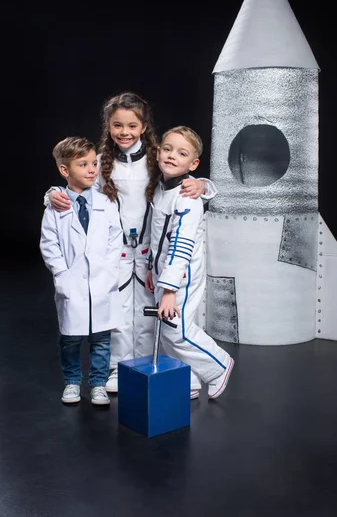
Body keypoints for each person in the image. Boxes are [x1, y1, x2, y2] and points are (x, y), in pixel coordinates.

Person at [44, 92, 216, 393]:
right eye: (117, 126)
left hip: (151, 253)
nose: (125, 132)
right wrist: (51, 194)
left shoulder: (158, 159)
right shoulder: (99, 164)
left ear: (143, 126)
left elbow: (182, 187)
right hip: (114, 252)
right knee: (117, 311)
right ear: (108, 126)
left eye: (132, 126)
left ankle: (160, 366)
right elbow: (76, 186)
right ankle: (118, 368)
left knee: (153, 311)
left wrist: (204, 185)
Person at [145, 126, 234, 400]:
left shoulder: (188, 198)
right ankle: (191, 381)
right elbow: (155, 233)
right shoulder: (160, 189)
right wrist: (150, 267)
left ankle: (219, 366)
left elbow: (181, 246)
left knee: (175, 328)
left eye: (181, 153)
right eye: (168, 149)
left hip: (182, 275)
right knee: (166, 329)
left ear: (192, 164)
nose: (172, 156)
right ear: (158, 152)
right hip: (163, 272)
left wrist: (170, 290)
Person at [40, 137, 124, 406]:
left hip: (102, 282)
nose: (92, 169)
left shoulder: (106, 202)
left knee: (101, 338)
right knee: (71, 339)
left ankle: (98, 384)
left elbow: (115, 238)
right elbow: (49, 243)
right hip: (72, 283)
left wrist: (111, 271)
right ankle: (72, 382)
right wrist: (62, 275)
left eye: (93, 163)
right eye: (83, 164)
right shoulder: (56, 205)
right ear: (65, 171)